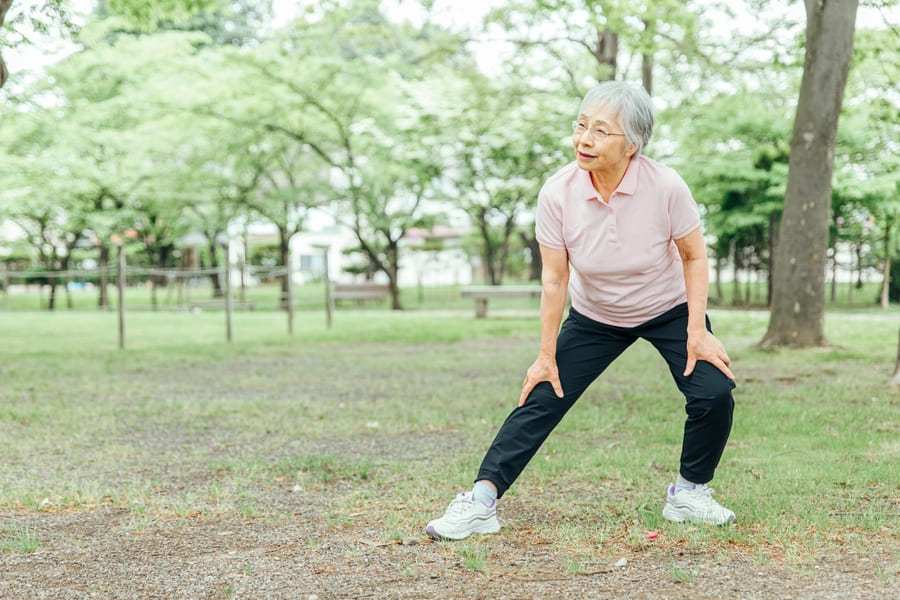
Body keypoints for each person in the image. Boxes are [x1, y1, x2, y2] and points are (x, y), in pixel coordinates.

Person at [426, 81, 737, 541]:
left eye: (600, 131)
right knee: (542, 394)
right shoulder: (557, 193)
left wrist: (697, 330)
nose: (584, 139)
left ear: (632, 145)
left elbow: (693, 256)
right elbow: (554, 279)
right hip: (597, 315)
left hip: (667, 306)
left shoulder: (666, 186)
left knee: (713, 391)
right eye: (581, 125)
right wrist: (545, 353)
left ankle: (690, 494)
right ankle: (481, 501)